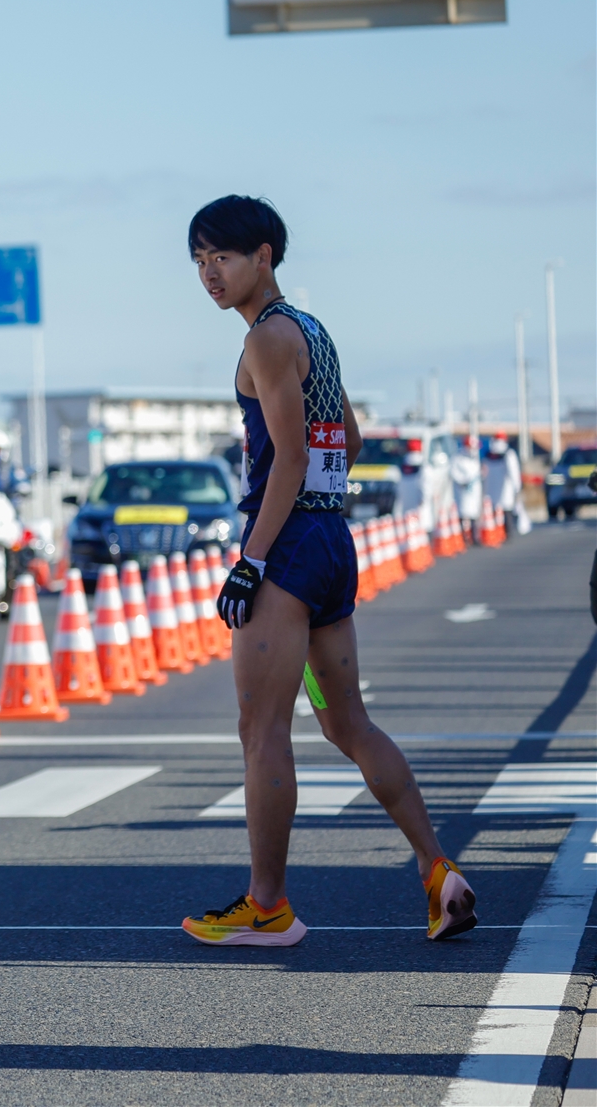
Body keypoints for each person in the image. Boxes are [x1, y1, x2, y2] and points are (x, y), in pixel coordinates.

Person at [186, 195, 475, 947]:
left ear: (265, 257)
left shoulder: (265, 340)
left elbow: (284, 456)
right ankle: (437, 869)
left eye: (223, 256)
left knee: (262, 730)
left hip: (284, 546)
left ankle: (268, 905)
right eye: (199, 260)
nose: (210, 273)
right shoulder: (311, 329)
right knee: (347, 722)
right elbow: (346, 432)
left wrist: (252, 562)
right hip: (330, 537)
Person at [484, 436, 522, 536]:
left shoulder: (490, 455)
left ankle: (498, 532)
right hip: (502, 489)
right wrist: (517, 487)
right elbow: (514, 472)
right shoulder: (508, 454)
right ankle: (505, 532)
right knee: (505, 510)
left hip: (496, 490)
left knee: (497, 510)